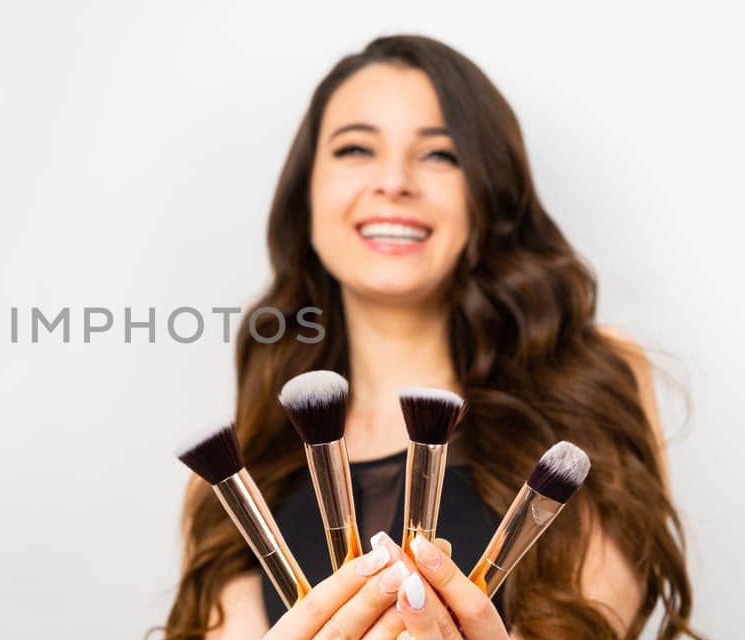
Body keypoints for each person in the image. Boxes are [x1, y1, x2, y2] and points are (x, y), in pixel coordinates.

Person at [162, 35, 697, 639]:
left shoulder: (592, 384)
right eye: (356, 148)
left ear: (488, 194)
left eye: (440, 155)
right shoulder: (234, 476)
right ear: (305, 195)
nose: (393, 181)